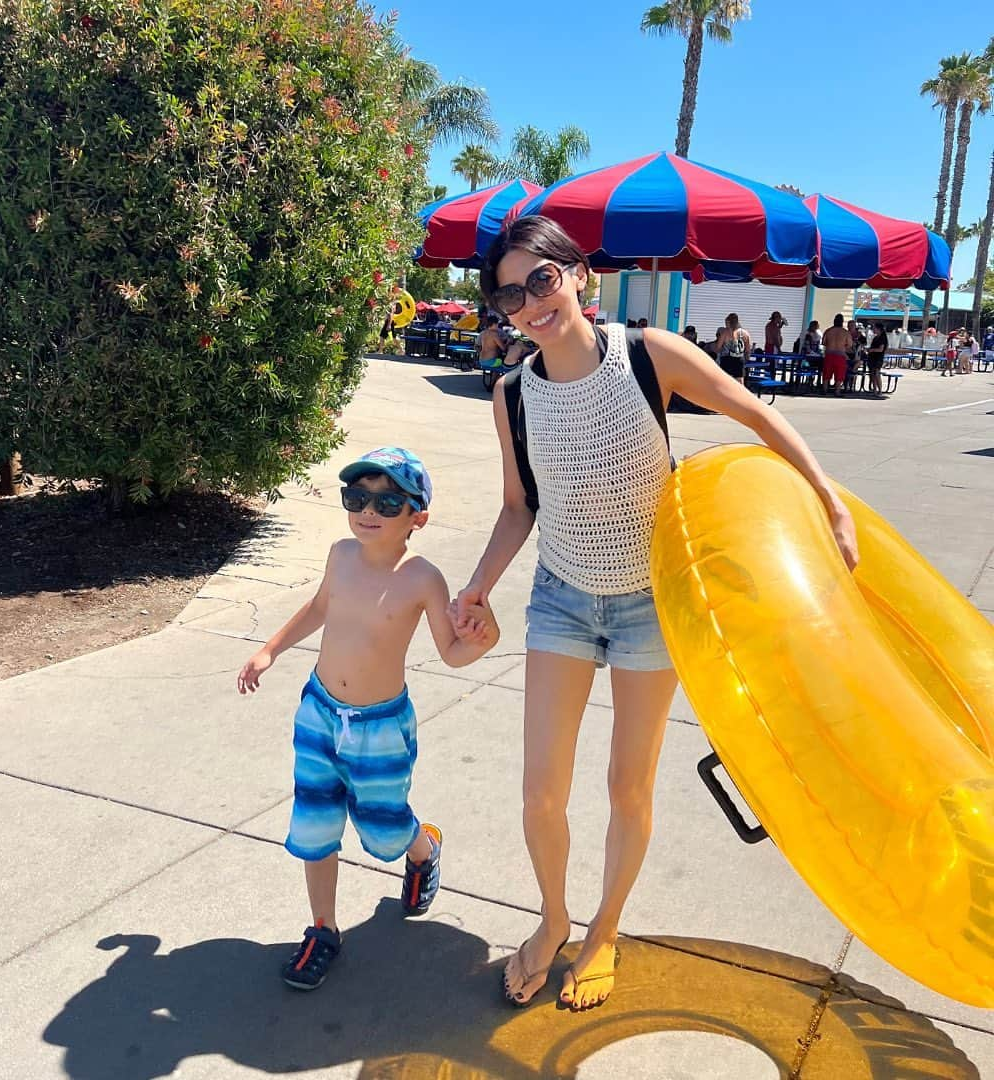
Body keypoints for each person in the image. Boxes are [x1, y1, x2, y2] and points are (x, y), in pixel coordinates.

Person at [457, 215, 858, 1013]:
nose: (531, 302)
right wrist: (478, 589)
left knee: (626, 788)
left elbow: (753, 411)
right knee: (541, 793)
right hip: (562, 601)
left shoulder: (647, 356)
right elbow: (517, 506)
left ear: (577, 275)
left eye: (542, 279)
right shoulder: (512, 395)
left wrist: (828, 498)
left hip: (651, 606)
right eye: (510, 293)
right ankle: (553, 919)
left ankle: (604, 930)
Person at [237, 448, 499, 991]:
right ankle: (323, 929)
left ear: (417, 516)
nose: (368, 511)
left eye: (387, 500)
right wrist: (270, 650)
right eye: (356, 497)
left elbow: (451, 651)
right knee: (315, 824)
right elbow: (318, 608)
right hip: (319, 712)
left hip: (380, 727)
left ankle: (422, 849)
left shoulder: (423, 578)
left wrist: (483, 639)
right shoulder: (340, 554)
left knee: (383, 829)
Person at [715, 312, 750, 380]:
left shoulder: (725, 332)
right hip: (739, 359)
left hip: (727, 359)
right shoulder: (745, 333)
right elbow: (748, 350)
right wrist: (746, 359)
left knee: (726, 381)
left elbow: (718, 347)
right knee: (740, 381)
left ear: (728, 322)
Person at [821, 314, 850, 396]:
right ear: (842, 322)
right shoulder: (845, 332)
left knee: (826, 374)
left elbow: (823, 342)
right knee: (839, 374)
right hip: (840, 355)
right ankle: (837, 391)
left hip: (829, 354)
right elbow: (849, 344)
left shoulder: (828, 331)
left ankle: (824, 390)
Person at [866, 322, 888, 395]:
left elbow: (881, 349)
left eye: (874, 328)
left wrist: (872, 350)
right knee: (872, 374)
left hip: (878, 358)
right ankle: (874, 389)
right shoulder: (875, 337)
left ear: (879, 329)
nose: (873, 329)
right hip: (872, 358)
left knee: (877, 373)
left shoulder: (882, 338)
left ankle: (880, 390)